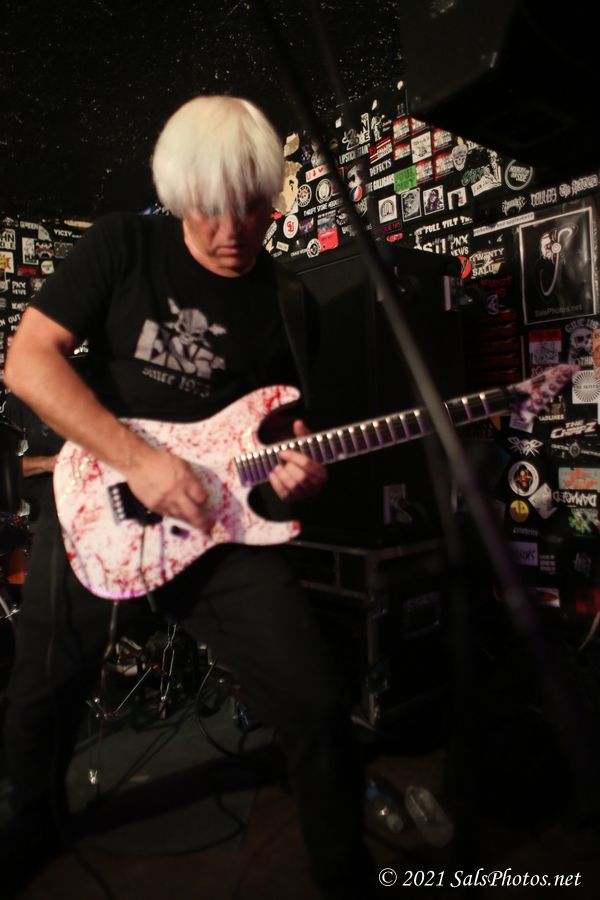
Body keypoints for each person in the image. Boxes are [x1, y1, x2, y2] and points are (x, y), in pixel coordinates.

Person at [1, 95, 374, 899]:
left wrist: (295, 468)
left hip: (219, 525)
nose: (231, 230)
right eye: (209, 208)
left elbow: (283, 424)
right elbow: (28, 362)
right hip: (100, 503)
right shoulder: (121, 245)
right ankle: (27, 834)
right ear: (177, 196)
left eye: (251, 207)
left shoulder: (289, 300)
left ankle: (344, 873)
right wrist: (138, 461)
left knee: (314, 699)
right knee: (41, 692)